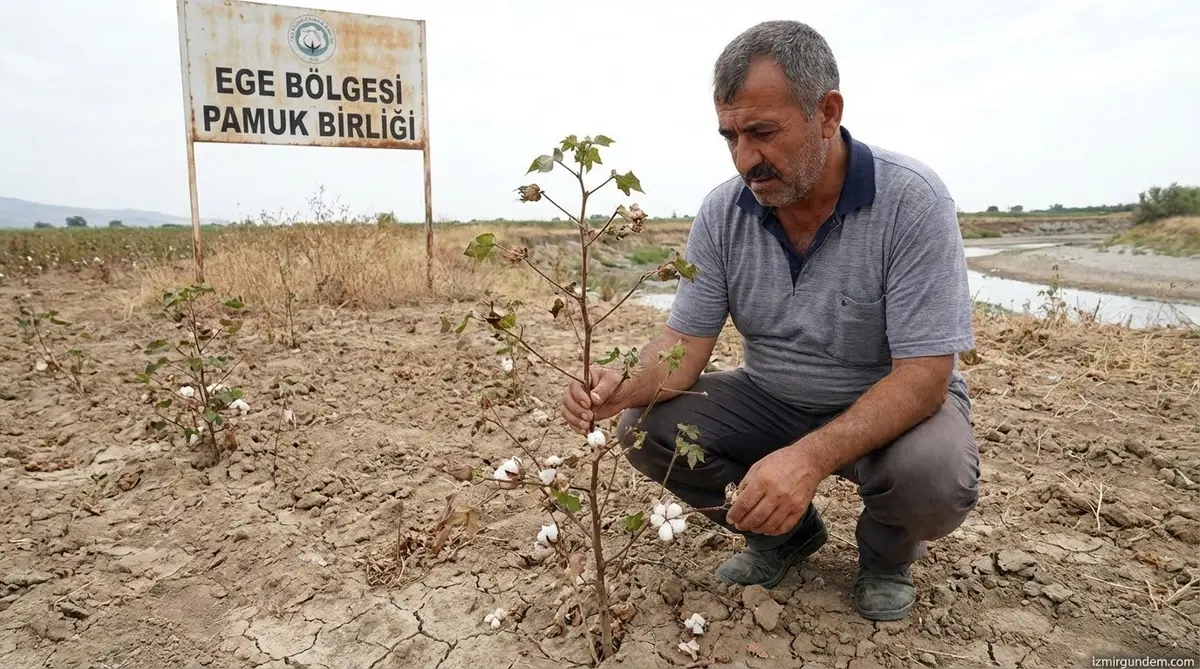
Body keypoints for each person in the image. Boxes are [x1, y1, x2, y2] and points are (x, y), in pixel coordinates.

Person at [559, 19, 980, 622]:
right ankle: (786, 534)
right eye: (730, 135)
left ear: (827, 112)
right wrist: (614, 385)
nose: (744, 159)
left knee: (932, 477)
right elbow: (682, 347)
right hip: (771, 399)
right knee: (644, 427)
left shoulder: (911, 201)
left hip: (890, 411)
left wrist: (807, 461)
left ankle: (886, 556)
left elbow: (924, 377)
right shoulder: (723, 213)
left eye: (762, 133)